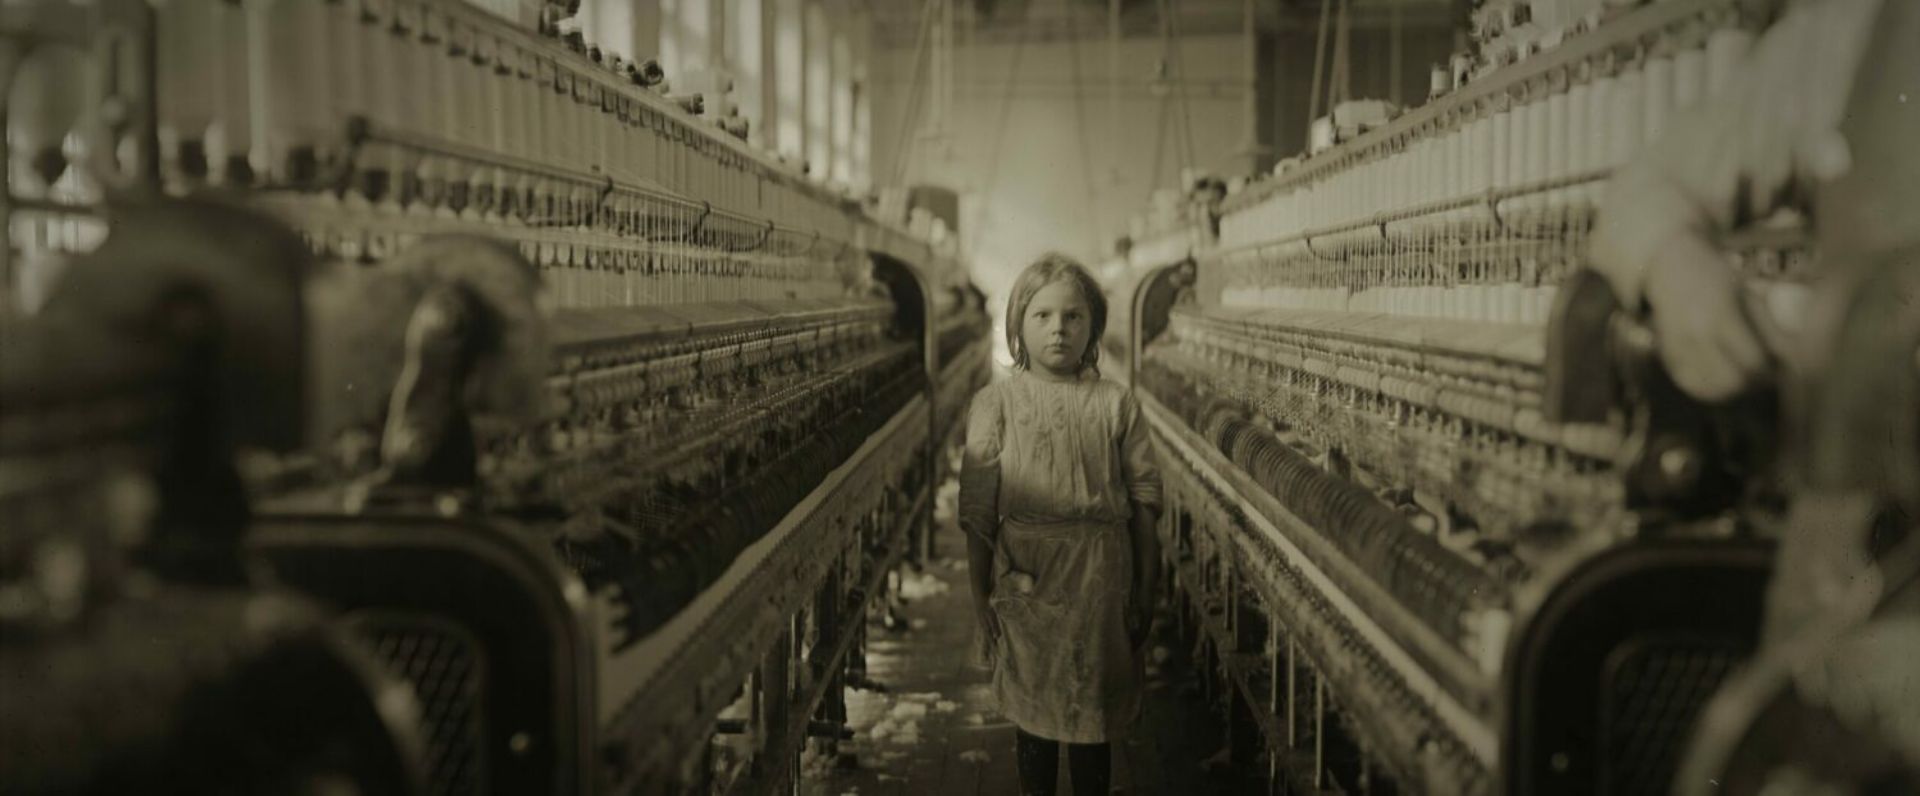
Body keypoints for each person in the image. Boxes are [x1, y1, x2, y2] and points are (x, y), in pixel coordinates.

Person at [959, 253, 1163, 796]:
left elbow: (1145, 499)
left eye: (1074, 316)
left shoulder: (1118, 404)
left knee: (1093, 722)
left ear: (1094, 324)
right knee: (1035, 722)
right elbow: (977, 512)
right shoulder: (995, 405)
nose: (1059, 330)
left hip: (1101, 578)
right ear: (1018, 324)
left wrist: (1146, 587)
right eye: (1043, 315)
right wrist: (979, 597)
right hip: (1028, 579)